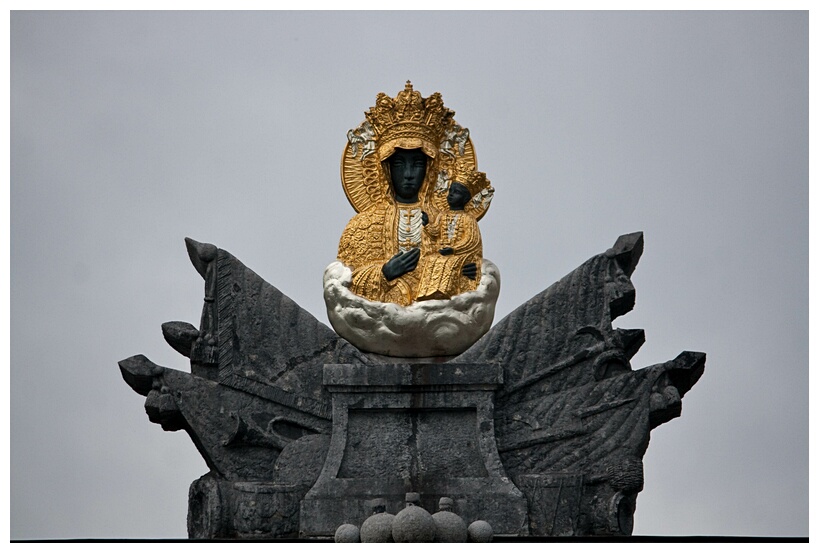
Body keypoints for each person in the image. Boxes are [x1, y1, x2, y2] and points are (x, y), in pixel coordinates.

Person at [336, 82, 486, 306]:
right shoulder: (363, 225)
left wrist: (466, 271)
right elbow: (347, 285)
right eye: (398, 165)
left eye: (417, 164)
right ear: (385, 169)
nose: (408, 174)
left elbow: (469, 272)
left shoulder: (446, 220)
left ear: (430, 169)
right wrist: (385, 272)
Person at [415, 166, 485, 301]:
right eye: (450, 191)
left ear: (465, 198)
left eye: (457, 192)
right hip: (442, 251)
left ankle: (445, 291)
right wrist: (427, 224)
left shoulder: (468, 219)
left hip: (458, 254)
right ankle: (427, 292)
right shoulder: (442, 216)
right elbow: (436, 232)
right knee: (432, 260)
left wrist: (453, 249)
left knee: (449, 263)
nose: (451, 194)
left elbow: (471, 241)